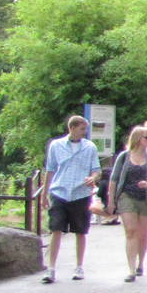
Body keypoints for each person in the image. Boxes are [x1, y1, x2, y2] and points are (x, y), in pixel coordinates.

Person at [40, 115, 102, 283]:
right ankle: (51, 268)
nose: (84, 132)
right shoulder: (56, 146)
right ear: (72, 128)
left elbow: (97, 169)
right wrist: (45, 194)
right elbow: (50, 170)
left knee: (80, 231)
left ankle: (79, 266)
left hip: (80, 193)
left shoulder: (90, 147)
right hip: (60, 191)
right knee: (56, 229)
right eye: (82, 129)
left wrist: (93, 178)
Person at [108, 124, 147, 282]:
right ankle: (131, 269)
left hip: (146, 197)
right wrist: (111, 200)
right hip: (127, 195)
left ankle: (141, 263)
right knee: (131, 231)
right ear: (138, 139)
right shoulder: (124, 156)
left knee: (143, 235)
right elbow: (114, 178)